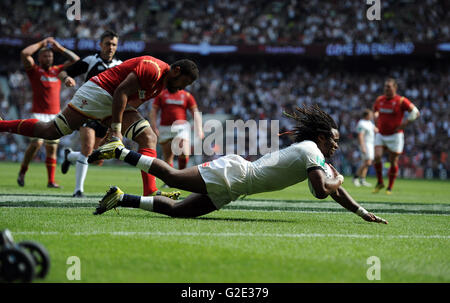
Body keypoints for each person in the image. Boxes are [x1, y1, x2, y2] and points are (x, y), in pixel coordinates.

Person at [89, 105, 388, 224]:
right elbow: (325, 190)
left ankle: (121, 198)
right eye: (334, 140)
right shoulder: (311, 149)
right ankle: (120, 151)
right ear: (322, 137)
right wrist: (338, 179)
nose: (336, 145)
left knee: (179, 212)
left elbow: (331, 191)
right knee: (174, 176)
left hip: (236, 186)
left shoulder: (316, 155)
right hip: (234, 173)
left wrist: (361, 212)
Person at [0, 55, 199, 199]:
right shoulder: (152, 68)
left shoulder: (160, 84)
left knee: (148, 138)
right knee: (51, 131)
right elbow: (121, 91)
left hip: (113, 102)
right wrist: (116, 131)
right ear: (176, 71)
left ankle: (150, 190)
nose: (183, 87)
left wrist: (110, 127)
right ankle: (2, 125)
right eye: (185, 82)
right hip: (97, 92)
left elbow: (132, 103)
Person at [58, 30, 123, 198]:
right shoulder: (90, 60)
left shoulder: (120, 65)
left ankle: (70, 156)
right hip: (87, 110)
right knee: (87, 149)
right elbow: (64, 72)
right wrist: (67, 79)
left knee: (96, 158)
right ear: (100, 44)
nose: (110, 47)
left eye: (114, 44)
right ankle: (78, 190)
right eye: (107, 43)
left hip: (106, 117)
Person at [17, 37, 79, 188]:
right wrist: (41, 44)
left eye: (50, 56)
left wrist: (60, 48)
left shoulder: (57, 71)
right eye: (45, 55)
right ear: (39, 57)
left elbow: (77, 61)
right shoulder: (34, 70)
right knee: (36, 144)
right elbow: (25, 53)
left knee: (52, 149)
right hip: (37, 114)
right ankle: (23, 171)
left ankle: (51, 181)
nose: (48, 58)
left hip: (54, 114)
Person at [372, 78, 420, 194]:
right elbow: (376, 110)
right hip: (381, 134)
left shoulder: (401, 101)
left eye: (389, 87)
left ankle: (390, 187)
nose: (386, 89)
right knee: (377, 156)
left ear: (395, 88)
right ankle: (380, 182)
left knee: (393, 161)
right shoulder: (380, 99)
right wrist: (376, 116)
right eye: (385, 87)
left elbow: (416, 112)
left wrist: (405, 123)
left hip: (395, 136)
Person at [149, 88, 204, 180]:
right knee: (167, 157)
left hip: (181, 127)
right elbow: (154, 110)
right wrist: (154, 127)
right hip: (165, 128)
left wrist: (199, 128)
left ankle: (180, 177)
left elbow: (195, 112)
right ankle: (170, 180)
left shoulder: (186, 95)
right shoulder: (162, 94)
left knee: (184, 152)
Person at [352, 109, 376, 187]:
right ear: (366, 115)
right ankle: (355, 178)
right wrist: (363, 146)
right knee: (367, 162)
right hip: (366, 144)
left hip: (371, 144)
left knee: (367, 163)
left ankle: (362, 180)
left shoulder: (370, 123)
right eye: (371, 115)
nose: (372, 116)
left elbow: (376, 130)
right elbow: (360, 136)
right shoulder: (361, 123)